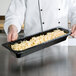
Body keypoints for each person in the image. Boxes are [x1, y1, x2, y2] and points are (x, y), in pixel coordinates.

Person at [4, 0, 76, 59]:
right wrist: (12, 26)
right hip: (31, 48)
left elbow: (74, 8)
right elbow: (15, 13)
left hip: (59, 48)